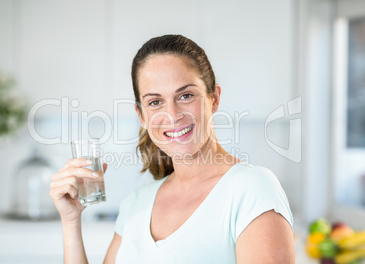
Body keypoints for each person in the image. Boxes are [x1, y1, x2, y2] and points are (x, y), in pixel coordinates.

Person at [50, 34, 295, 263]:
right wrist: (71, 221)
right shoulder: (136, 203)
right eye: (155, 102)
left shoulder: (251, 189)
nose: (172, 115)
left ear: (215, 98)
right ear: (142, 116)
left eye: (186, 96)